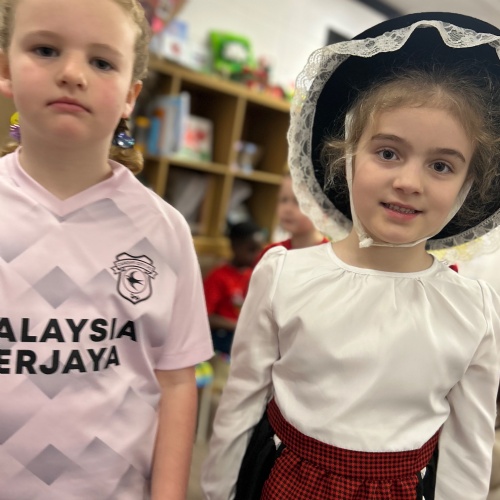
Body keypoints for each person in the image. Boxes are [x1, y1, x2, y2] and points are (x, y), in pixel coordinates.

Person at [201, 12, 500, 500]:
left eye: (441, 165)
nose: (409, 181)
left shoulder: (474, 310)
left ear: (468, 186)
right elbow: (241, 403)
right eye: (388, 153)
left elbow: (468, 452)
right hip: (287, 484)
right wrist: (219, 491)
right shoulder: (284, 274)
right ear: (348, 157)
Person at [0, 1, 213, 499]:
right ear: (6, 69)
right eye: (46, 49)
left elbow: (176, 382)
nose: (72, 74)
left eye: (101, 61)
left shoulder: (164, 230)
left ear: (130, 96)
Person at [204, 221, 265, 354]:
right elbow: (205, 317)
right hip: (224, 336)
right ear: (235, 246)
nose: (256, 255)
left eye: (259, 250)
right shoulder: (218, 276)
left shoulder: (254, 275)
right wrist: (238, 326)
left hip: (247, 335)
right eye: (251, 250)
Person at [254, 173, 328, 265]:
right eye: (283, 199)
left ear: (323, 209)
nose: (287, 209)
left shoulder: (330, 259)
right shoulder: (271, 254)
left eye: (298, 202)